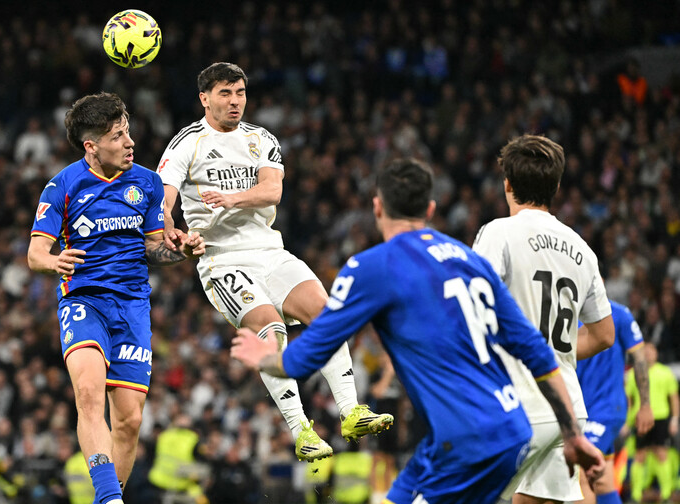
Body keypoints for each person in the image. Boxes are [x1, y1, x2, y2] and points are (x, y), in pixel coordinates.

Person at [231, 158, 605, 503]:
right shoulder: (467, 259)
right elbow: (537, 351)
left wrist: (264, 356)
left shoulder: (372, 267)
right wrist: (572, 433)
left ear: (377, 207)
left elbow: (308, 354)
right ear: (430, 209)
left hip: (467, 436)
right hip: (505, 426)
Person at [158, 61, 390, 461]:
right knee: (269, 325)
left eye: (240, 93)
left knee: (327, 313)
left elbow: (272, 190)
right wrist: (172, 232)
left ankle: (351, 412)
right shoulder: (185, 144)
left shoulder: (260, 138)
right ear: (204, 98)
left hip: (269, 250)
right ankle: (302, 431)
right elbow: (164, 200)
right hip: (222, 259)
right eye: (225, 94)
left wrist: (231, 198)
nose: (235, 102)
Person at [28, 92, 204, 504]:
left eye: (128, 132)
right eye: (118, 136)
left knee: (128, 420)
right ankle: (110, 499)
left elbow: (155, 248)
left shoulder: (147, 183)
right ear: (92, 146)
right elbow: (35, 253)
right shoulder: (63, 186)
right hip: (83, 301)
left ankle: (106, 498)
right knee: (88, 395)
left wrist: (181, 251)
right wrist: (54, 262)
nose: (130, 143)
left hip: (132, 308)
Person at [471, 134, 614, 504]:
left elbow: (471, 308)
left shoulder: (498, 233)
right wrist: (551, 354)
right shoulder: (582, 249)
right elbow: (603, 335)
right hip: (564, 409)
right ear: (556, 185)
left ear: (507, 184)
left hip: (513, 405)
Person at [576, 300, 653, 504]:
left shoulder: (619, 314)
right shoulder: (567, 313)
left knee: (582, 472)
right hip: (581, 410)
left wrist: (645, 404)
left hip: (607, 408)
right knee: (603, 483)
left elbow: (639, 358)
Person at [625, 342, 679, 503]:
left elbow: (674, 397)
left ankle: (666, 494)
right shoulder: (634, 373)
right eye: (646, 352)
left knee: (661, 453)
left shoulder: (665, 372)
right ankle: (635, 496)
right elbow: (629, 399)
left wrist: (675, 419)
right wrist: (627, 421)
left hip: (661, 417)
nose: (649, 355)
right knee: (639, 456)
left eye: (651, 351)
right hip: (640, 418)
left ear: (656, 354)